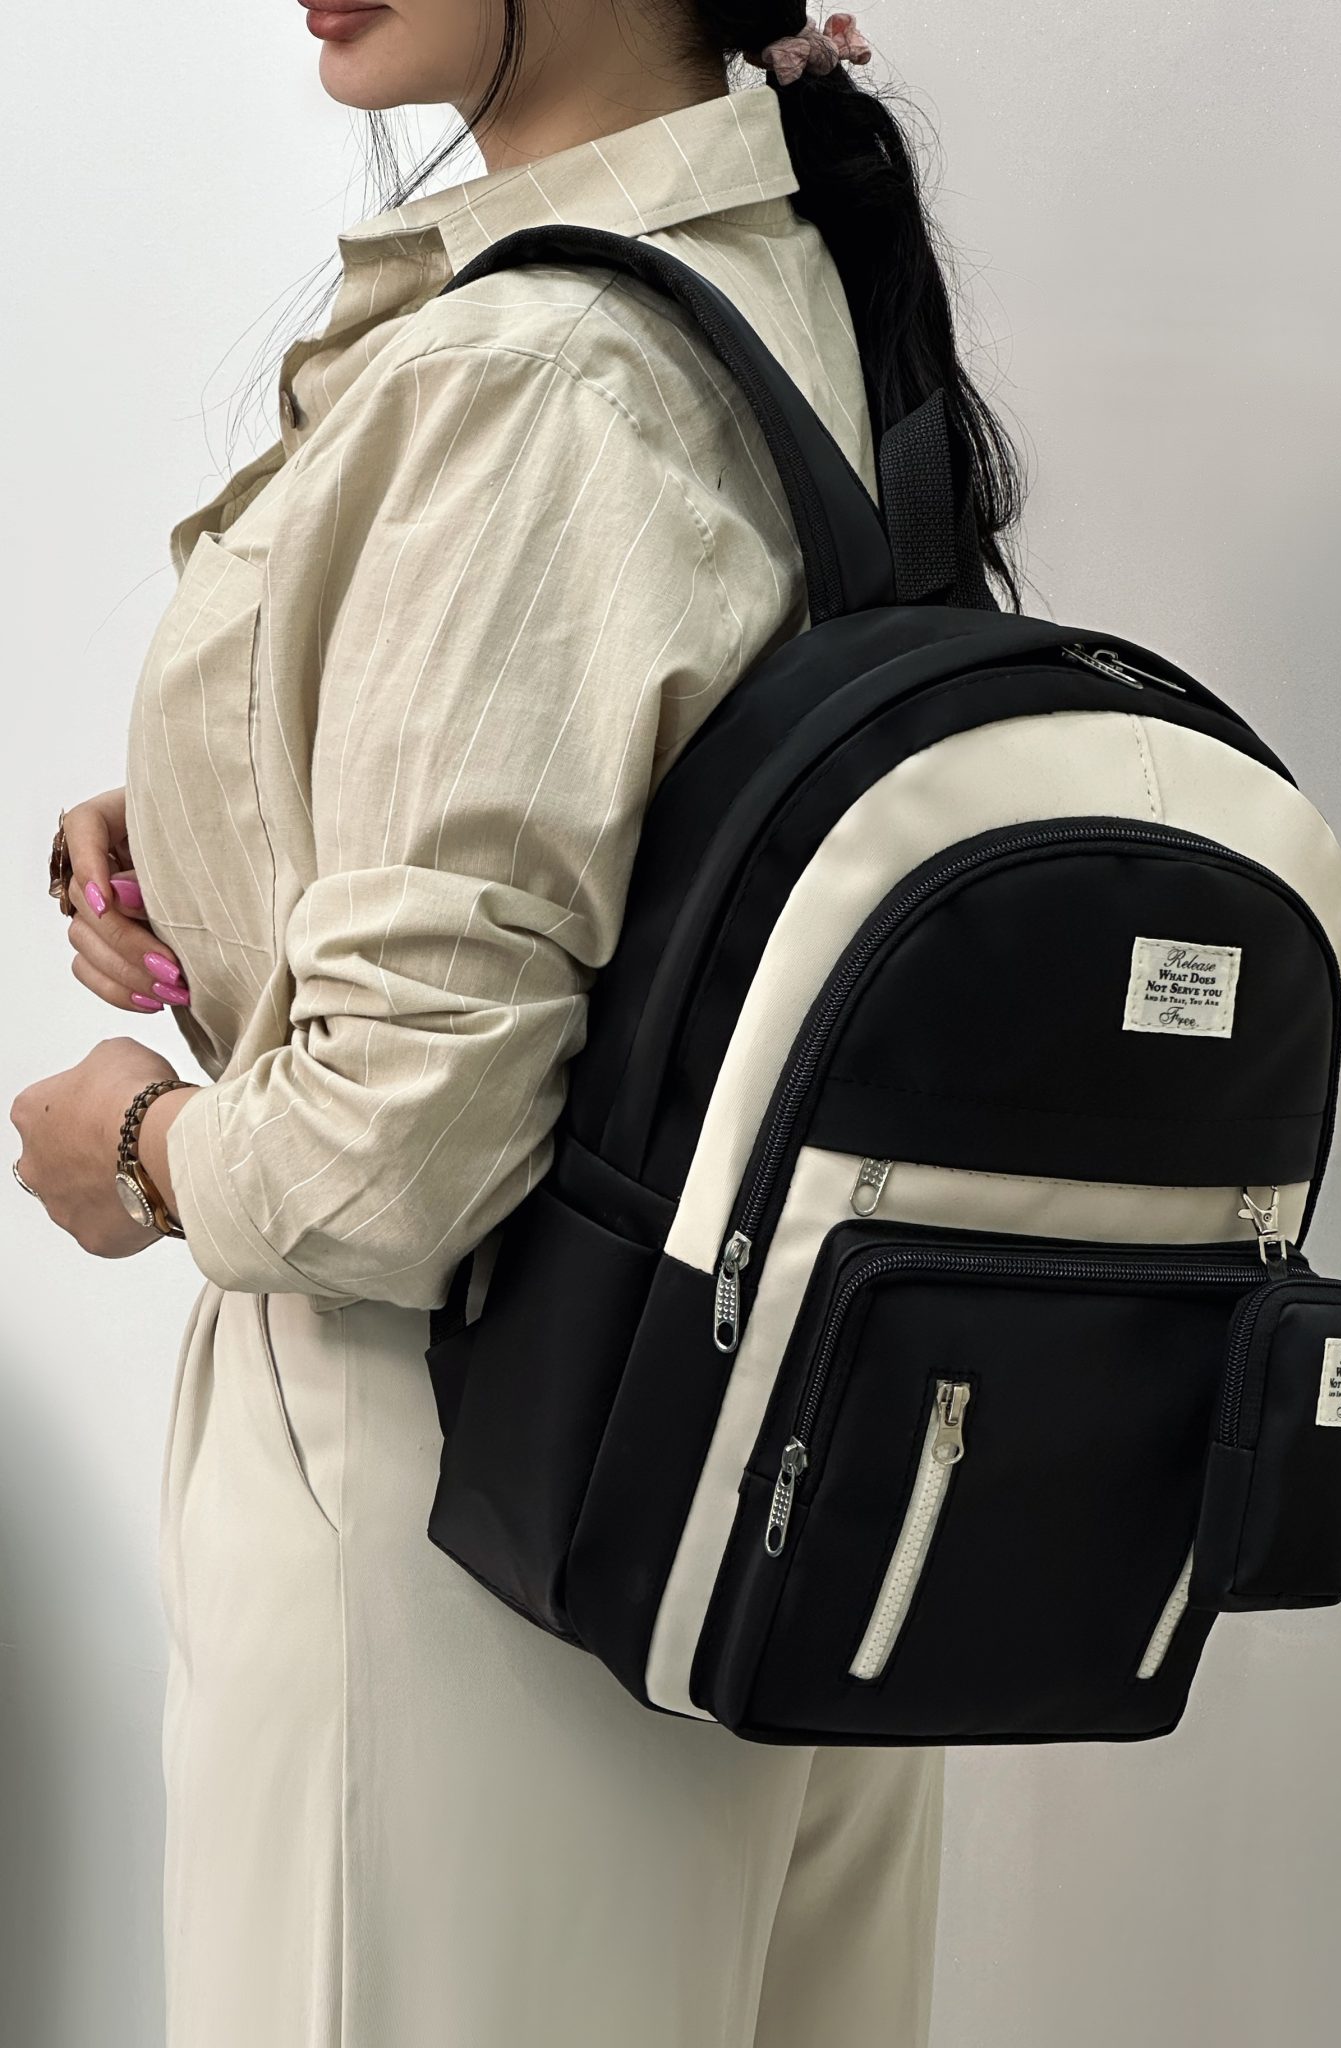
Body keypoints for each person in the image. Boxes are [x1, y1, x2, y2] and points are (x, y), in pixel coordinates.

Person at [11, 3, 1023, 2041]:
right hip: (753, 1470)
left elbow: (387, 1162)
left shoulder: (534, 369)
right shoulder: (790, 267)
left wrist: (127, 1144)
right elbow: (684, 826)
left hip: (460, 1497)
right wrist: (235, 805)